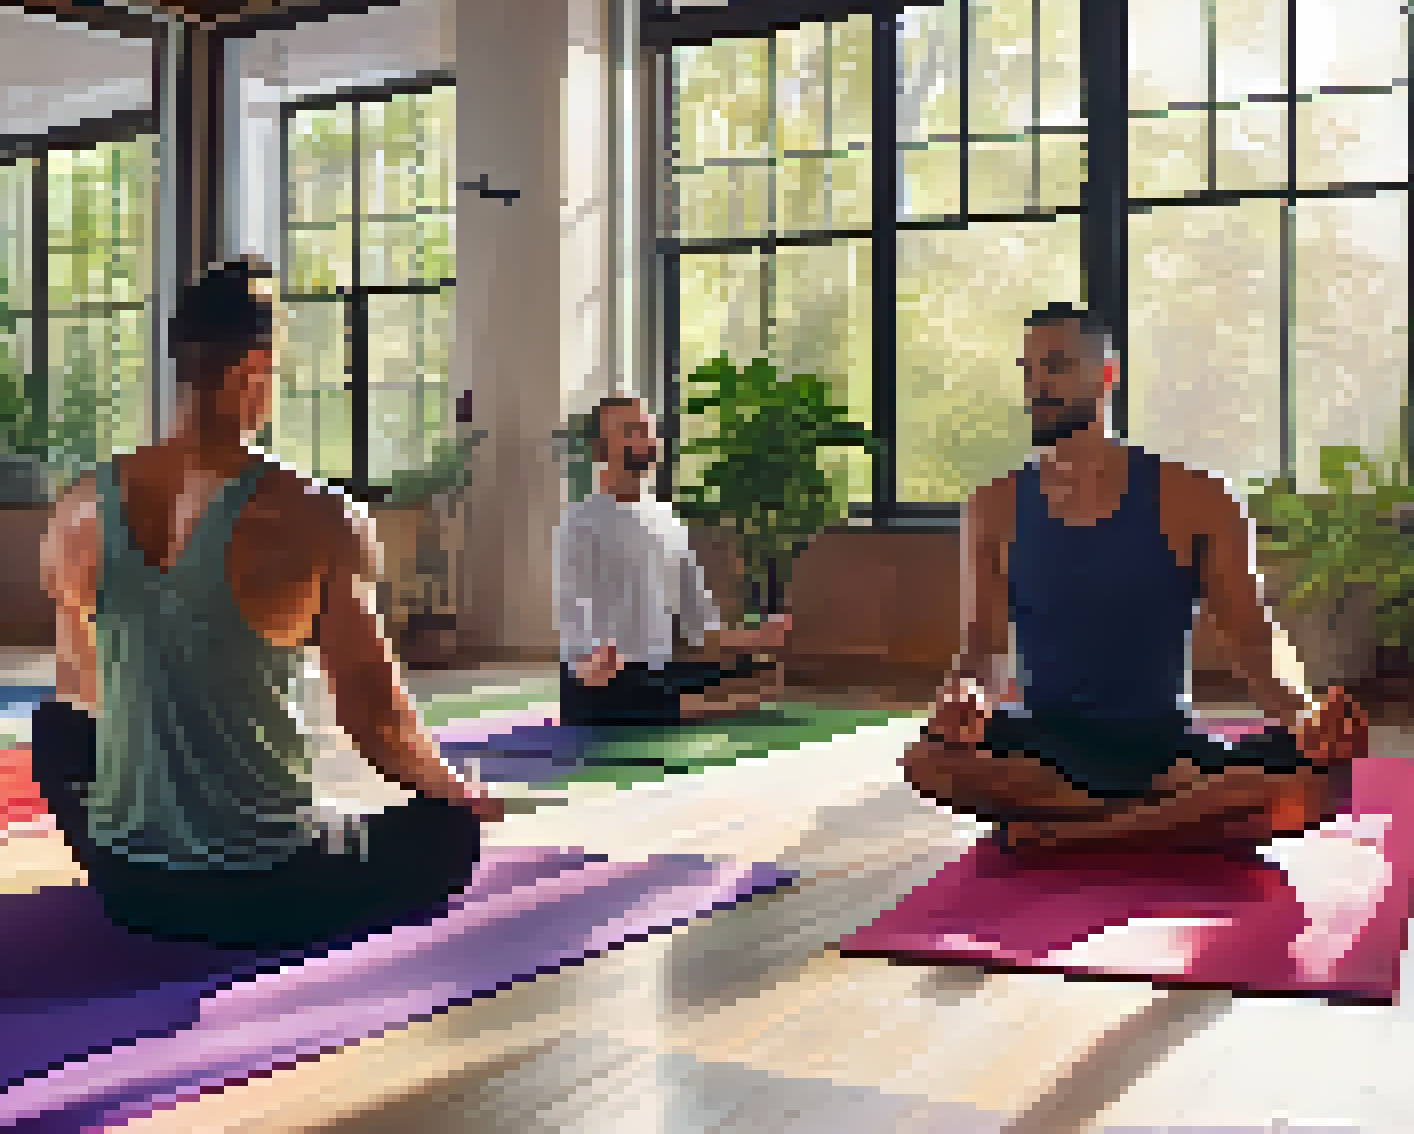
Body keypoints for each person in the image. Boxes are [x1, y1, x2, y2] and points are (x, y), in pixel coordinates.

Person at [33, 257, 506, 949]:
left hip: (127, 881)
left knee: (55, 728)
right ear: (255, 367)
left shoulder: (79, 508)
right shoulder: (318, 517)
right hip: (261, 888)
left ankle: (157, 838)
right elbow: (378, 723)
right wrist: (453, 787)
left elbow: (84, 688)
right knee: (449, 830)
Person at [900, 305, 1369, 854]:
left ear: (1107, 374)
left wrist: (1304, 713)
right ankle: (1166, 817)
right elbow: (983, 648)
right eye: (1028, 371)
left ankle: (1079, 832)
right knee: (926, 761)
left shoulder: (1197, 498)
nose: (1038, 385)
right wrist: (967, 694)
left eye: (1055, 366)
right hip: (1048, 748)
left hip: (1164, 747)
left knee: (1325, 781)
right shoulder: (992, 507)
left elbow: (1252, 636)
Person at [555, 394, 793, 727]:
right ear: (600, 449)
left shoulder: (667, 521)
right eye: (630, 430)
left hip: (659, 669)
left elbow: (698, 623)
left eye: (647, 429)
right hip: (602, 677)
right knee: (701, 701)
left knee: (752, 676)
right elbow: (574, 605)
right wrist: (589, 660)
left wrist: (757, 637)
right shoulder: (582, 522)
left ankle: (684, 705)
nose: (645, 439)